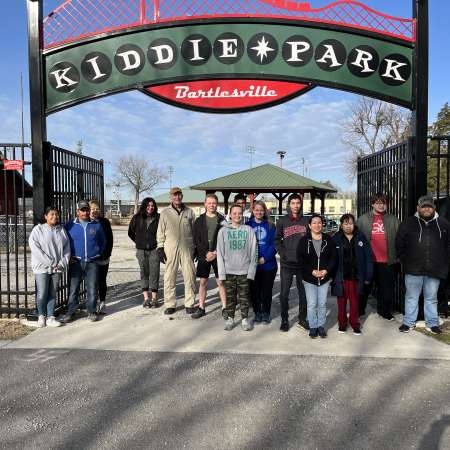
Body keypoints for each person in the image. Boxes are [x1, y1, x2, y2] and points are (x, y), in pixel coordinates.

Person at [396, 195, 450, 334]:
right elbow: (399, 244)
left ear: (434, 208)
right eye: (424, 206)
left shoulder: (443, 224)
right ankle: (408, 323)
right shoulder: (408, 223)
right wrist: (405, 261)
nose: (427, 209)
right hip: (413, 268)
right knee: (411, 297)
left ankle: (432, 323)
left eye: (429, 206)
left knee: (431, 298)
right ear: (418, 208)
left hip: (434, 269)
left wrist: (444, 263)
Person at [356, 193, 400, 320]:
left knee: (386, 289)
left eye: (383, 203)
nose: (381, 205)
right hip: (368, 261)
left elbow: (401, 238)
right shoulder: (363, 219)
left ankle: (384, 311)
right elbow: (355, 237)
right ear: (373, 204)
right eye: (378, 203)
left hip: (388, 261)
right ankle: (359, 310)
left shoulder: (393, 219)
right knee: (364, 287)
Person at [62, 200, 106, 323]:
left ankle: (91, 311)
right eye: (82, 210)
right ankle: (71, 312)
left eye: (87, 209)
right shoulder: (69, 225)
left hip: (92, 262)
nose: (85, 212)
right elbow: (64, 242)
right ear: (77, 211)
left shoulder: (96, 225)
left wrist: (97, 253)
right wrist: (69, 256)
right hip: (75, 262)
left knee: (92, 289)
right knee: (73, 289)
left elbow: (103, 241)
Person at [217, 204, 257, 331]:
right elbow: (220, 253)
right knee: (230, 298)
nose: (237, 215)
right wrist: (222, 273)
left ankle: (244, 319)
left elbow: (254, 251)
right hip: (229, 271)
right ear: (230, 215)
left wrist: (251, 271)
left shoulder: (248, 230)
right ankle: (230, 318)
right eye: (234, 213)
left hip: (244, 271)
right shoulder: (223, 231)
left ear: (242, 214)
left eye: (239, 213)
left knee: (244, 297)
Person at [156, 187, 196, 315]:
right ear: (170, 197)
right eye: (174, 195)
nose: (177, 197)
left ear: (182, 196)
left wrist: (195, 248)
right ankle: (170, 304)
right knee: (169, 276)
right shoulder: (165, 213)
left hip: (187, 248)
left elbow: (195, 232)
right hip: (170, 248)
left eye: (179, 195)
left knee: (189, 275)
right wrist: (160, 247)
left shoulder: (189, 212)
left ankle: (189, 303)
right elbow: (160, 232)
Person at [29, 206, 71, 328]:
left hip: (57, 268)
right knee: (42, 293)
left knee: (52, 293)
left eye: (56, 214)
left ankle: (50, 316)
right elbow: (35, 248)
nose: (54, 216)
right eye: (52, 214)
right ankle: (41, 316)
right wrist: (50, 262)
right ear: (46, 216)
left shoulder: (61, 230)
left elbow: (67, 247)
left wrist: (63, 262)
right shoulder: (38, 230)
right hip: (42, 267)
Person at [332, 214, 373, 335]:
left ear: (354, 224)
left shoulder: (361, 237)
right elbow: (331, 258)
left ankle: (355, 323)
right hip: (341, 277)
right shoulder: (336, 238)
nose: (348, 226)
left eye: (350, 223)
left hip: (356, 277)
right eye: (345, 223)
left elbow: (368, 257)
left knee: (355, 302)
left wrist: (368, 275)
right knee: (341, 302)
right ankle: (342, 323)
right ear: (341, 225)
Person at [298, 214, 336, 339]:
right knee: (312, 303)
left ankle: (321, 326)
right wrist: (312, 271)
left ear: (322, 224)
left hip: (324, 278)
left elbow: (333, 258)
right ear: (309, 225)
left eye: (319, 222)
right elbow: (301, 260)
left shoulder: (328, 239)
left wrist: (326, 270)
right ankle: (313, 326)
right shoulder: (304, 241)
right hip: (309, 278)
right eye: (314, 223)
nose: (317, 225)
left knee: (322, 303)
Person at [275, 193, 309, 332]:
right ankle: (284, 319)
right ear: (289, 204)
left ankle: (302, 319)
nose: (296, 205)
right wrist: (283, 253)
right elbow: (277, 240)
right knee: (284, 294)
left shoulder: (306, 221)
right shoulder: (282, 221)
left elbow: (311, 240)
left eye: (298, 203)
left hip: (302, 265)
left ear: (301, 204)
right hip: (287, 264)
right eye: (293, 203)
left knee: (303, 295)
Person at [191, 194, 227, 319]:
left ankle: (224, 307)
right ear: (205, 204)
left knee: (221, 281)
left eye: (214, 203)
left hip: (218, 255)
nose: (212, 205)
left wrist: (216, 252)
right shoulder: (199, 220)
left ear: (217, 204)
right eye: (209, 203)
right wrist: (206, 253)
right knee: (203, 282)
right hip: (204, 255)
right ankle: (201, 307)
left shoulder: (222, 220)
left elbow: (225, 239)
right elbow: (196, 239)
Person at [248, 200, 277, 324]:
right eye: (256, 210)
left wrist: (265, 258)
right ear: (253, 211)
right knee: (254, 291)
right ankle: (257, 313)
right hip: (253, 265)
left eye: (261, 210)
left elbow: (275, 244)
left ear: (264, 211)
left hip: (268, 265)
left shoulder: (270, 225)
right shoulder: (248, 225)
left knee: (266, 290)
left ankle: (265, 313)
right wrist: (253, 258)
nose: (259, 212)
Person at [128, 197, 160, 308]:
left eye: (152, 205)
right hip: (141, 250)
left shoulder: (158, 217)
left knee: (154, 273)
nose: (150, 207)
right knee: (144, 273)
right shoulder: (137, 218)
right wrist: (138, 242)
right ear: (144, 206)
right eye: (148, 205)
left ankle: (154, 298)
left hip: (154, 249)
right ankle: (146, 298)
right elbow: (130, 232)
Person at [89, 200, 113, 314]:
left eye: (97, 209)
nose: (95, 211)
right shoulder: (86, 222)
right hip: (91, 259)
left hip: (103, 257)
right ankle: (92, 304)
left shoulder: (105, 222)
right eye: (93, 208)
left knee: (102, 281)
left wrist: (107, 253)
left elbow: (110, 239)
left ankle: (102, 302)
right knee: (92, 281)